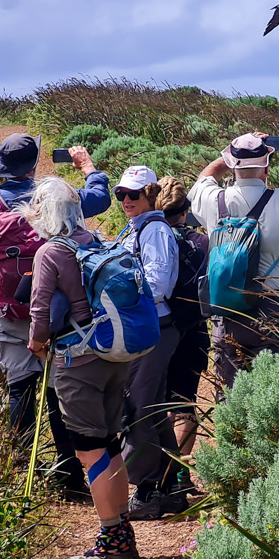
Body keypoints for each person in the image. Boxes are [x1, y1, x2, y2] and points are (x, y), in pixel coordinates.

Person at [0, 133, 109, 500]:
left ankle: (20, 470)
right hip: (60, 311)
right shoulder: (56, 198)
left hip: (10, 310)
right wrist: (87, 166)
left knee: (20, 389)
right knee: (59, 393)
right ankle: (70, 478)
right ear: (36, 161)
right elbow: (101, 198)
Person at [21, 177, 136, 559]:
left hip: (77, 360)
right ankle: (122, 530)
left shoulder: (51, 251)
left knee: (89, 450)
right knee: (111, 443)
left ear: (43, 213)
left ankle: (112, 543)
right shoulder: (98, 240)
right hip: (112, 353)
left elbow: (38, 311)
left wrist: (37, 345)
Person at [190, 132, 279, 388]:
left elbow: (205, 178)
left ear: (232, 165)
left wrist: (229, 153)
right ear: (266, 167)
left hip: (227, 308)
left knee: (229, 395)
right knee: (272, 392)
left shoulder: (212, 199)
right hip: (272, 307)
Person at [111, 165, 185, 519]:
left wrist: (117, 293)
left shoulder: (154, 230)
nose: (126, 200)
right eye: (120, 194)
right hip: (151, 328)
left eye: (133, 194)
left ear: (151, 194)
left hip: (151, 328)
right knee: (152, 408)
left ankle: (146, 490)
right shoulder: (139, 227)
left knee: (136, 409)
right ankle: (173, 486)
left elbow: (157, 285)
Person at [155, 176, 210, 495]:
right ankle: (182, 476)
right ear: (185, 211)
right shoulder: (201, 243)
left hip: (157, 331)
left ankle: (161, 476)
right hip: (192, 332)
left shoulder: (149, 238)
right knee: (184, 404)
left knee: (155, 404)